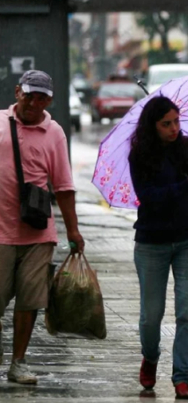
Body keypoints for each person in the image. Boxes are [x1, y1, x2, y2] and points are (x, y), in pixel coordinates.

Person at [128, 96, 188, 399]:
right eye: (167, 124)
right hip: (152, 242)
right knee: (151, 316)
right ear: (153, 125)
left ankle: (182, 377)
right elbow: (148, 197)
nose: (174, 128)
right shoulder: (140, 154)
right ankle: (150, 356)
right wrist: (184, 186)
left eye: (177, 121)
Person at [0, 70, 84, 384]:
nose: (35, 102)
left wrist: (73, 231)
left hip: (38, 232)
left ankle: (18, 362)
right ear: (18, 91)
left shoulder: (55, 133)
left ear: (50, 99)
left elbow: (63, 186)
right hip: (0, 232)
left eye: (43, 97)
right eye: (30, 94)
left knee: (30, 299)